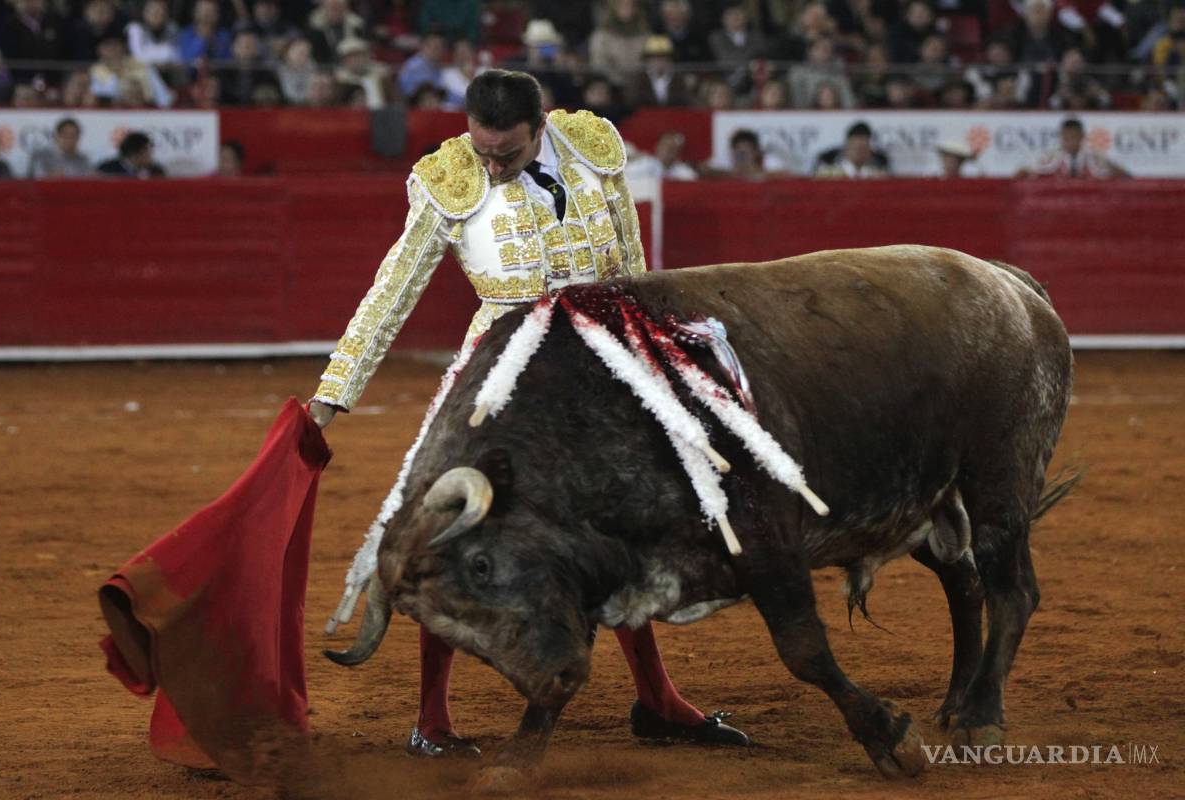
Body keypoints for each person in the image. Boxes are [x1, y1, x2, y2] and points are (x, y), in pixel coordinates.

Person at [308, 69, 749, 757]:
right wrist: (332, 395)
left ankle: (658, 699)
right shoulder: (448, 179)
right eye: (481, 149)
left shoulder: (592, 148)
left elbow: (632, 267)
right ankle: (431, 719)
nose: (489, 164)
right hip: (501, 378)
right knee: (458, 530)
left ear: (539, 129)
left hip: (600, 369)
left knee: (617, 530)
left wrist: (658, 361)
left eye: (505, 154)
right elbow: (391, 291)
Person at [1019, 117, 1129, 178]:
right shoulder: (1050, 157)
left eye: (1073, 137)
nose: (1070, 142)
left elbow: (1124, 175)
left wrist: (1113, 169)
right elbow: (1023, 173)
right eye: (1066, 138)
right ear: (1061, 137)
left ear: (1082, 137)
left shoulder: (1096, 157)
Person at [813, 121, 890, 177]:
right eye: (855, 148)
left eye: (863, 149)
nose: (858, 153)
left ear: (870, 151)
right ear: (846, 147)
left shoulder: (879, 170)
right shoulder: (828, 168)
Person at [97, 130, 165, 177]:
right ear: (134, 154)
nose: (151, 155)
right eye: (147, 152)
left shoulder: (156, 171)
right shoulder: (107, 170)